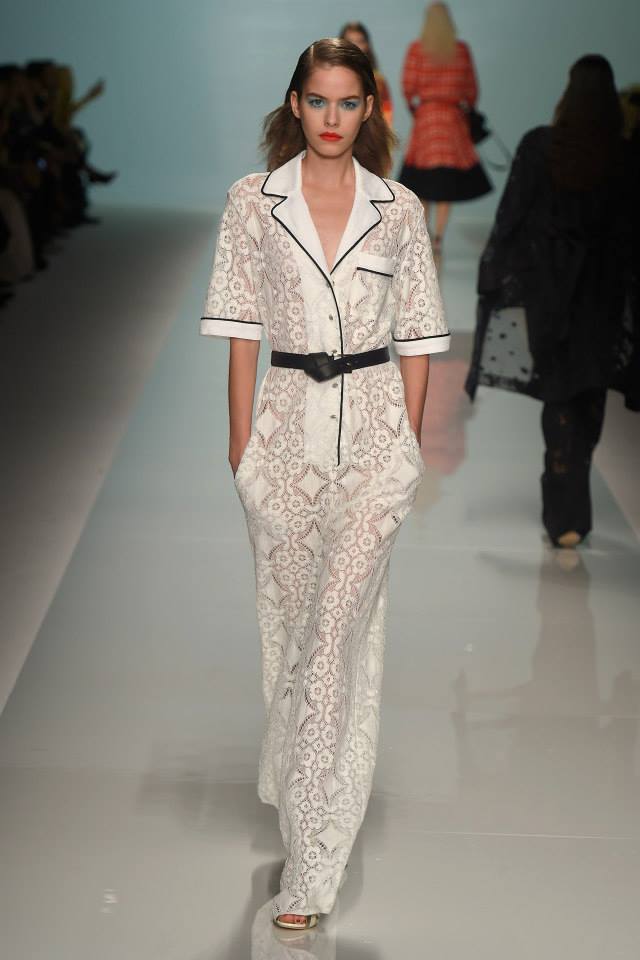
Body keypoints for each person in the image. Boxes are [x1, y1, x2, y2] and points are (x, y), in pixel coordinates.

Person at [200, 38, 448, 930]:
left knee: (336, 641)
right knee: (295, 640)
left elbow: (419, 336)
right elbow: (239, 329)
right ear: (295, 104)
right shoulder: (252, 202)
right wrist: (242, 449)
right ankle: (295, 778)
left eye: (348, 102)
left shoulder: (399, 209)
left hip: (375, 446)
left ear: (370, 107)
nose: (332, 118)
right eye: (318, 101)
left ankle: (309, 869)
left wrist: (406, 447)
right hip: (282, 443)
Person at [465, 55, 637, 548]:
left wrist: (495, 277)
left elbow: (512, 219)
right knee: (589, 396)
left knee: (560, 395)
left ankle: (563, 511)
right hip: (601, 302)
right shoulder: (625, 158)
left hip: (550, 298)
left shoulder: (540, 147)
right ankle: (570, 505)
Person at [399, 1, 491, 254]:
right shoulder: (461, 50)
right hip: (452, 121)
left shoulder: (416, 50)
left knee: (423, 181)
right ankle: (439, 237)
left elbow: (408, 87)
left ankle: (425, 234)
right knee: (446, 184)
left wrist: (417, 110)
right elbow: (471, 90)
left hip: (427, 119)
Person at [339, 22, 394, 128]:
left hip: (369, 135)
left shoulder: (378, 82)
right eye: (350, 41)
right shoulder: (330, 78)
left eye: (360, 41)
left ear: (367, 45)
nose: (355, 46)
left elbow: (386, 117)